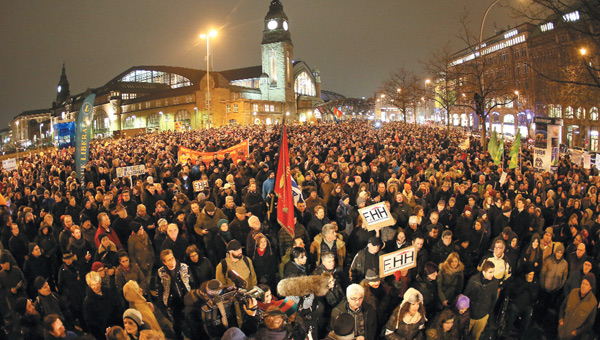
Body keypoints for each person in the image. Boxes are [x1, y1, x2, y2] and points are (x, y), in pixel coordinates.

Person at [155, 249, 192, 340]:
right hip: (173, 303)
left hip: (187, 298)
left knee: (191, 321)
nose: (172, 261)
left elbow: (192, 282)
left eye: (172, 258)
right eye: (169, 260)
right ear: (164, 262)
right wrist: (164, 304)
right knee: (178, 325)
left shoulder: (183, 267)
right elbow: (159, 290)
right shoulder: (161, 273)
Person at [463, 260, 499, 340]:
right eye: (490, 272)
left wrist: (488, 313)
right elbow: (466, 295)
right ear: (483, 272)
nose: (492, 274)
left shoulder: (495, 282)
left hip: (483, 316)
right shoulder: (474, 280)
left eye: (493, 272)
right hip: (470, 314)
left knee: (476, 336)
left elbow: (493, 299)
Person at [82, 271, 121, 340]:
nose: (96, 287)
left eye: (97, 284)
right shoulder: (88, 302)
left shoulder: (108, 292)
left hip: (116, 327)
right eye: (93, 285)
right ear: (89, 285)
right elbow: (90, 322)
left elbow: (116, 307)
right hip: (103, 333)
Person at [558, 273, 597, 340]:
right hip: (561, 331)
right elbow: (562, 306)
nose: (583, 286)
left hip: (573, 337)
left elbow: (589, 324)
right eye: (583, 283)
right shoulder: (573, 292)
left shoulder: (593, 303)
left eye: (586, 284)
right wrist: (561, 320)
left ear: (590, 287)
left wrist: (576, 332)